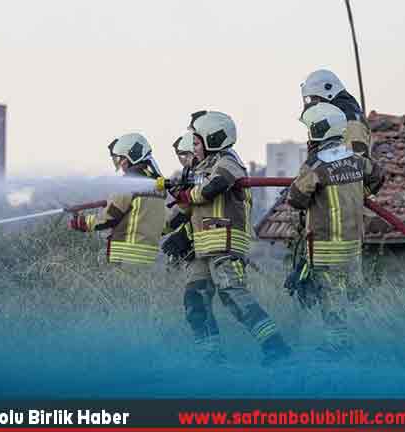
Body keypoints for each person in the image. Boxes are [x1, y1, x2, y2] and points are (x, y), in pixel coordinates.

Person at [170, 111, 291, 366]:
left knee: (233, 295)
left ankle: (276, 348)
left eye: (196, 141)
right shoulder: (199, 168)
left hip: (224, 241)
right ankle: (212, 358)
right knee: (194, 299)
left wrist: (187, 194)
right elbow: (188, 207)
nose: (193, 147)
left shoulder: (227, 161)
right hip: (204, 246)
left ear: (213, 139)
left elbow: (216, 185)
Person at [286, 103, 385, 353]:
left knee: (331, 297)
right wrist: (360, 193)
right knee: (355, 294)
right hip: (352, 245)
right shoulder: (356, 160)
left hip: (325, 246)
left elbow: (296, 198)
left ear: (318, 132)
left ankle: (338, 346)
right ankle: (370, 340)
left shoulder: (316, 166)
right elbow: (378, 176)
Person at [68, 133, 166, 265]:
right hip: (148, 256)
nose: (120, 163)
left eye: (120, 158)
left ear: (130, 157)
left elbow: (110, 216)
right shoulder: (157, 185)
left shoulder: (128, 183)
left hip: (126, 256)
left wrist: (84, 222)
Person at [301, 69, 371, 157]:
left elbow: (356, 154)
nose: (314, 105)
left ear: (327, 91)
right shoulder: (335, 114)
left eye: (314, 98)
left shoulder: (350, 116)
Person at [161, 131, 197, 266]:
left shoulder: (202, 171)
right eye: (179, 155)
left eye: (185, 154)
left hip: (209, 233)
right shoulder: (190, 172)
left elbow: (188, 208)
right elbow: (184, 209)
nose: (182, 159)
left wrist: (184, 236)